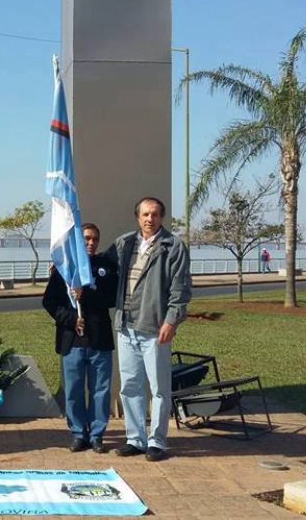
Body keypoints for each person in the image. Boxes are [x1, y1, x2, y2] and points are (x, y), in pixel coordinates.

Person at [104, 197, 192, 462]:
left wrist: (171, 320)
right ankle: (135, 439)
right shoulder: (125, 243)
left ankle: (157, 441)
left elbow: (181, 288)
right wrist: (67, 266)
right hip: (126, 327)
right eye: (145, 214)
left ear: (161, 217)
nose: (149, 219)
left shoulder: (173, 246)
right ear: (137, 217)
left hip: (155, 328)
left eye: (154, 214)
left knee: (159, 389)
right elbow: (101, 266)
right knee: (130, 387)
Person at [42, 223, 116, 454]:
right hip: (72, 341)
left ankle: (96, 434)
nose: (91, 243)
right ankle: (78, 433)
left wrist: (87, 293)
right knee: (73, 391)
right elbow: (50, 302)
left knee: (100, 391)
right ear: (77, 241)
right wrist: (71, 319)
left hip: (99, 340)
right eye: (86, 238)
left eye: (94, 239)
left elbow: (112, 297)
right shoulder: (64, 268)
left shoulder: (105, 267)